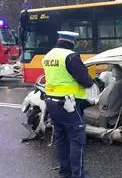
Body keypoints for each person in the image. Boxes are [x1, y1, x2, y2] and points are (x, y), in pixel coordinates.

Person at [42, 31, 93, 178]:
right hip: (68, 105)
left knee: (61, 138)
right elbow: (86, 81)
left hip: (51, 103)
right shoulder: (71, 56)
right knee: (77, 140)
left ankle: (65, 171)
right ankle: (78, 174)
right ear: (72, 43)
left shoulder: (48, 56)